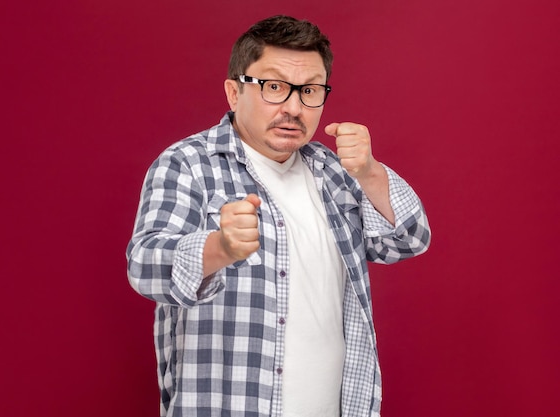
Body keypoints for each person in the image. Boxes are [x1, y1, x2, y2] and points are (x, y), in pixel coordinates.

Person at [126, 15, 430, 417]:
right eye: (274, 87)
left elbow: (408, 240)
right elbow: (145, 267)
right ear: (234, 93)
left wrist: (371, 172)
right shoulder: (188, 164)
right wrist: (220, 247)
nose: (293, 107)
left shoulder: (333, 171)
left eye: (310, 90)